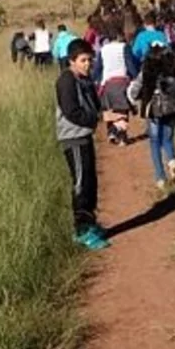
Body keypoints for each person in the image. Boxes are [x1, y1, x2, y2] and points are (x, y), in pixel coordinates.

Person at [55, 39, 110, 251]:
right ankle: (81, 230)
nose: (87, 64)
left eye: (90, 60)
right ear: (72, 61)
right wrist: (96, 118)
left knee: (90, 181)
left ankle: (90, 223)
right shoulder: (66, 81)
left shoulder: (84, 80)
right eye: (83, 60)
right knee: (80, 183)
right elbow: (72, 112)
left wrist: (106, 116)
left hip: (85, 136)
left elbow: (95, 106)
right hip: (73, 138)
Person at [128, 44, 175, 191]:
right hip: (171, 109)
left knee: (154, 141)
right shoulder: (171, 73)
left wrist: (136, 99)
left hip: (153, 110)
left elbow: (134, 91)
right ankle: (172, 161)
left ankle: (160, 177)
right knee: (167, 138)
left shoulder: (145, 73)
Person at [95, 22, 137, 146]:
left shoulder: (103, 50)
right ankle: (122, 136)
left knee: (111, 110)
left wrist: (95, 82)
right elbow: (130, 65)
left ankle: (111, 131)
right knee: (123, 111)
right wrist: (135, 78)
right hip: (122, 82)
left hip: (107, 84)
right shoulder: (124, 47)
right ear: (119, 34)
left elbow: (98, 69)